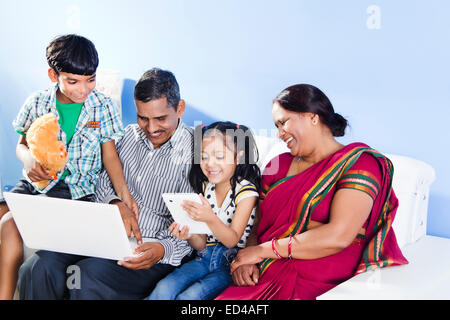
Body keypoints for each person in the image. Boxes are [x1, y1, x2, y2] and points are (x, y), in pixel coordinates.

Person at [216, 84, 408, 300]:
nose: (280, 134)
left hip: (322, 271)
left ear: (312, 117)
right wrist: (247, 259)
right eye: (277, 126)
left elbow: (339, 235)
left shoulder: (359, 162)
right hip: (268, 267)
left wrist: (261, 252)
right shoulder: (276, 165)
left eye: (283, 122)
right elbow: (257, 225)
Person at [17, 67, 195, 300]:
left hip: (152, 251)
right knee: (38, 268)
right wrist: (115, 202)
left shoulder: (199, 151)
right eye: (143, 118)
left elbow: (197, 224)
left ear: (179, 108)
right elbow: (101, 182)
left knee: (87, 277)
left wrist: (163, 249)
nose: (151, 129)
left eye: (160, 118)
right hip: (103, 238)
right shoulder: (126, 137)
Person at [0, 34, 136, 300]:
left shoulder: (102, 107)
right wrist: (29, 163)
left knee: (19, 229)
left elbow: (110, 157)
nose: (83, 89)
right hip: (35, 182)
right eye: (73, 81)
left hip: (76, 191)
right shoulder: (37, 102)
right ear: (54, 75)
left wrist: (124, 196)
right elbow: (21, 145)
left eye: (90, 79)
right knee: (7, 222)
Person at [148, 121, 260, 300]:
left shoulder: (246, 191)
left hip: (229, 263)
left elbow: (232, 239)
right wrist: (189, 233)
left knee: (191, 296)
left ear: (238, 157)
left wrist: (210, 218)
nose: (210, 164)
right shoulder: (205, 188)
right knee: (164, 288)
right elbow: (201, 244)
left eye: (219, 156)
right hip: (202, 258)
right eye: (204, 157)